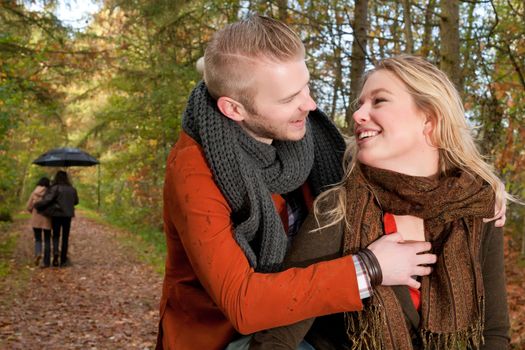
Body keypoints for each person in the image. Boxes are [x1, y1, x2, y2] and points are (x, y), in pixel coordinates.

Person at [157, 15, 443, 350]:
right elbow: (242, 303)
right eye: (289, 98)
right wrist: (369, 268)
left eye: (306, 86)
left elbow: (387, 159)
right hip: (223, 336)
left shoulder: (309, 139)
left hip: (308, 326)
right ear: (234, 109)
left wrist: (476, 189)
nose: (310, 104)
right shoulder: (193, 173)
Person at [250, 55, 511, 350]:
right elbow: (276, 336)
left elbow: (494, 333)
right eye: (359, 104)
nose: (358, 115)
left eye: (379, 101)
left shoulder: (478, 207)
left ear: (429, 119)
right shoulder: (340, 209)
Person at [39, 170, 79, 267]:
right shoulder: (72, 189)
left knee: (56, 235)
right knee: (65, 237)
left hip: (56, 215)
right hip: (68, 215)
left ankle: (56, 252)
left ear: (57, 178)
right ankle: (63, 260)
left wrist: (38, 205)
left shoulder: (55, 188)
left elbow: (48, 199)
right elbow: (76, 202)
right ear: (66, 178)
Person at [26, 177, 52, 267]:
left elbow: (29, 206)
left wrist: (32, 211)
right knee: (47, 240)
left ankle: (38, 253)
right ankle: (46, 261)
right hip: (47, 219)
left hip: (36, 219)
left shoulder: (34, 192)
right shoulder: (50, 193)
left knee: (38, 239)